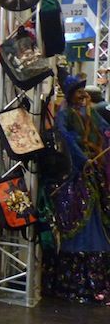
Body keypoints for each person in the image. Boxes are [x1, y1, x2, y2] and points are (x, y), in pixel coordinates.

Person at [44, 75, 110, 303]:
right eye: (78, 91)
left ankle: (95, 279)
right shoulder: (64, 114)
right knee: (79, 217)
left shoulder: (89, 112)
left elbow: (105, 129)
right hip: (76, 173)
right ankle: (77, 280)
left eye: (84, 91)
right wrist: (83, 160)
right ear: (71, 94)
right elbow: (66, 140)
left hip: (92, 171)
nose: (83, 95)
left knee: (96, 216)